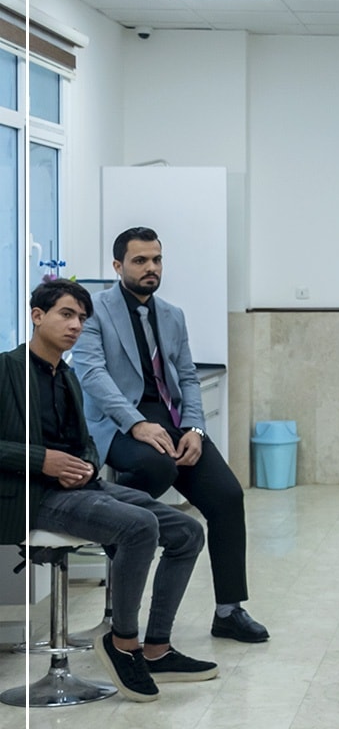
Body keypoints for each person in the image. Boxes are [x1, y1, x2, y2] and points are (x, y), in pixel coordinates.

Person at [4, 281, 212, 700]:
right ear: (37, 316)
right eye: (66, 314)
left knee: (187, 532)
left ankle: (157, 648)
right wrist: (42, 461)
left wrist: (84, 463)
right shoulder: (6, 370)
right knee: (139, 526)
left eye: (82, 318)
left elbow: (84, 442)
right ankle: (123, 642)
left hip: (81, 487)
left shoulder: (68, 376)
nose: (76, 325)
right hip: (33, 494)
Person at [70, 227, 267, 643]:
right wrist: (136, 423)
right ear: (118, 265)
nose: (151, 268)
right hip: (119, 423)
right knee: (156, 466)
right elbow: (92, 375)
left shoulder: (172, 315)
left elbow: (188, 377)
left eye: (156, 260)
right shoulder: (94, 311)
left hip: (172, 421)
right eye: (140, 260)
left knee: (228, 497)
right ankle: (112, 521)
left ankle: (229, 610)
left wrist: (195, 428)